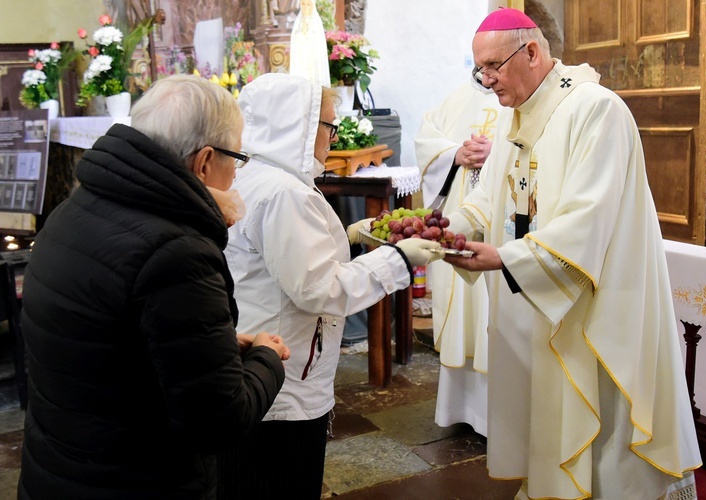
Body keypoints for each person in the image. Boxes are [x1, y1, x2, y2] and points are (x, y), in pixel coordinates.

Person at [442, 8, 702, 499]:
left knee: (602, 430)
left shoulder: (596, 110)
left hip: (593, 307)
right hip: (535, 299)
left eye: (493, 66)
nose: (486, 80)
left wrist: (503, 259)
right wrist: (442, 231)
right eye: (479, 70)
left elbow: (587, 222)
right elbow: (485, 203)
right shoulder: (514, 117)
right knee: (545, 412)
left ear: (533, 52)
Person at [17, 74, 289, 500]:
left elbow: (112, 341)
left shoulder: (77, 207)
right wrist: (267, 359)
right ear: (204, 163)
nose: (236, 173)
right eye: (237, 157)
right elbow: (218, 421)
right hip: (136, 480)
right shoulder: (177, 252)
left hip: (59, 467)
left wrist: (213, 345)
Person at [224, 72, 441, 499]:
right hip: (284, 371)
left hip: (262, 351)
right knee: (282, 479)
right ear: (297, 126)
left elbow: (287, 257)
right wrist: (399, 259)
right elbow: (320, 288)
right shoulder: (285, 192)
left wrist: (350, 235)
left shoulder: (255, 175)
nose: (333, 135)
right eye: (327, 125)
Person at [415, 81, 508, 436]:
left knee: (492, 309)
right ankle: (462, 409)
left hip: (499, 227)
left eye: (494, 63)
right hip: (459, 219)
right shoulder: (455, 98)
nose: (488, 73)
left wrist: (497, 153)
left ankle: (498, 420)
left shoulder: (523, 96)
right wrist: (455, 154)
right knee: (462, 313)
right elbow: (426, 141)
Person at [289, 0, 330, 87]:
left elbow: (318, 44)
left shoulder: (316, 23)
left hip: (313, 60)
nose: (305, 7)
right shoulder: (297, 23)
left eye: (308, 5)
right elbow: (295, 41)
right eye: (303, 4)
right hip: (301, 59)